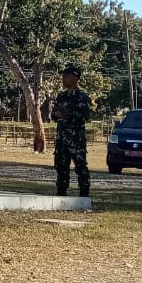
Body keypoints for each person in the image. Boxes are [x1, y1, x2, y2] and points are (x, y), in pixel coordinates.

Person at [51, 64, 91, 198]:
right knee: (61, 166)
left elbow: (85, 115)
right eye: (63, 76)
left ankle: (84, 194)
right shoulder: (61, 96)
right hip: (62, 137)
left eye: (66, 76)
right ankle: (61, 192)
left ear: (74, 78)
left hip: (76, 139)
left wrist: (67, 113)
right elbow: (54, 114)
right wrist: (58, 114)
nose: (63, 79)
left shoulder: (82, 96)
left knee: (80, 166)